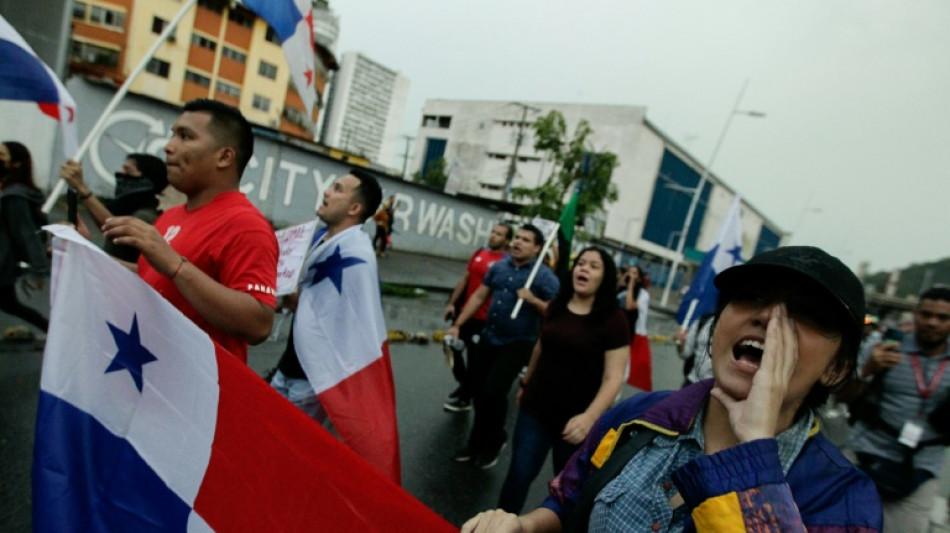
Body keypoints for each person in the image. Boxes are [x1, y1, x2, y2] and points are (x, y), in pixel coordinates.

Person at [462, 246, 882, 533]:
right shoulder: (640, 416)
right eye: (752, 297)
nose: (770, 319)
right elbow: (568, 502)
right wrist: (521, 526)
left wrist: (753, 452)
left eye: (806, 314)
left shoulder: (845, 501)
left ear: (837, 368)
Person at [101, 99, 278, 363]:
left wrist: (176, 265)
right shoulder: (172, 215)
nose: (169, 147)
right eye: (173, 135)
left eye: (185, 137)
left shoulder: (247, 225)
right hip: (149, 371)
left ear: (224, 157)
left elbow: (259, 324)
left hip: (197, 383)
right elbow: (156, 277)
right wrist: (86, 254)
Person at [270, 170, 400, 483]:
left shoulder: (357, 257)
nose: (327, 192)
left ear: (355, 208)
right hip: (289, 365)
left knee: (287, 455)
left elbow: (335, 320)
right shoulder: (323, 239)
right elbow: (311, 304)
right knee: (270, 439)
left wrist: (294, 296)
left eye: (338, 189)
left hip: (313, 379)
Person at [497, 246, 629, 513]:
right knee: (518, 476)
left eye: (593, 266)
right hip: (535, 411)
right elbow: (541, 346)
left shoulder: (614, 320)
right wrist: (525, 383)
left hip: (577, 422)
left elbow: (613, 377)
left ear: (605, 277)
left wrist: (589, 418)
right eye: (581, 263)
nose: (584, 268)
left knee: (568, 492)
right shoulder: (557, 305)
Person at [445, 225, 560, 469]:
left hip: (518, 342)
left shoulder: (544, 277)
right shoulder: (499, 267)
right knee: (477, 391)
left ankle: (495, 440)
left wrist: (533, 300)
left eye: (525, 240)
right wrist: (458, 324)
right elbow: (479, 296)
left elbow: (556, 312)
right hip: (490, 336)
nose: (518, 242)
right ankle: (475, 443)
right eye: (517, 237)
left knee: (494, 392)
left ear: (537, 248)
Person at [844, 286, 950, 533]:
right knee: (831, 523)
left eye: (943, 317)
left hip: (923, 466)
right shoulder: (886, 346)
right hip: (865, 450)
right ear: (915, 314)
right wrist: (867, 370)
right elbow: (842, 395)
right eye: (926, 314)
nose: (932, 322)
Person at [442, 222, 513, 412]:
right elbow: (465, 279)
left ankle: (466, 398)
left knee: (475, 360)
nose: (493, 236)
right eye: (493, 232)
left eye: (499, 234)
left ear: (507, 240)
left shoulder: (506, 262)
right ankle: (465, 384)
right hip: (465, 313)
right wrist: (452, 303)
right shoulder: (480, 252)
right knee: (450, 347)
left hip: (484, 319)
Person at [59, 153, 168, 262]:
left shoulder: (146, 216)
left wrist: (82, 188)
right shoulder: (123, 210)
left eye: (128, 170)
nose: (120, 173)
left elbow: (114, 229)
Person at [0, 141, 49, 333]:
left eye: (2, 155)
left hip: (3, 261)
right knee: (9, 304)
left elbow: (25, 232)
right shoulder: (6, 189)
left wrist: (39, 269)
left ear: (16, 164)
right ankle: (53, 332)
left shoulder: (14, 196)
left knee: (9, 304)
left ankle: (55, 333)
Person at [620, 265, 652, 390]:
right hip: (623, 332)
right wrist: (624, 278)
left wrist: (631, 284)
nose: (630, 275)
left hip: (637, 334)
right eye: (629, 272)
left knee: (631, 370)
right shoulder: (622, 292)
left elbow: (630, 306)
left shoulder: (644, 295)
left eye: (634, 273)